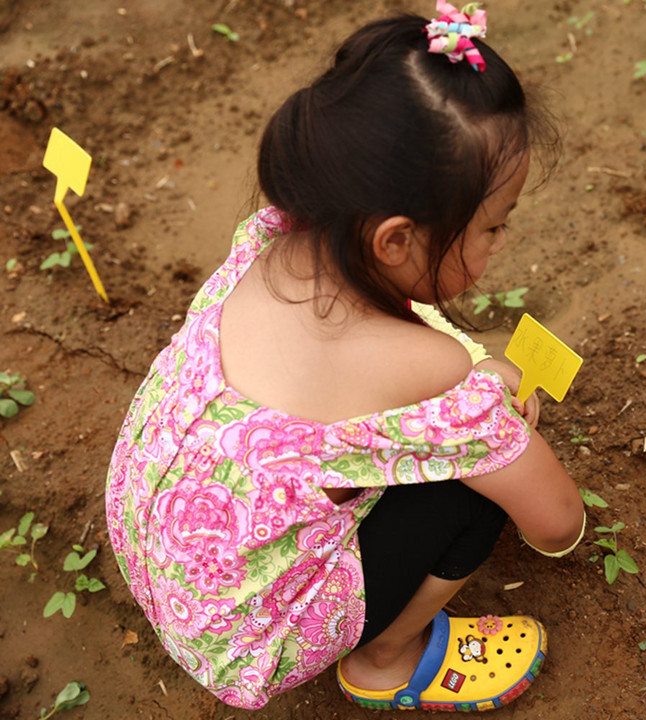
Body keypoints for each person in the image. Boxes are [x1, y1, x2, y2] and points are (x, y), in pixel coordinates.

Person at [104, 2, 584, 711]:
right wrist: (493, 397)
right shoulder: (439, 380)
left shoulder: (264, 244)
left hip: (161, 550)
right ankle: (387, 660)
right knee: (470, 494)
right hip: (245, 640)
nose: (500, 243)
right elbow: (558, 522)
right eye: (491, 226)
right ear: (394, 241)